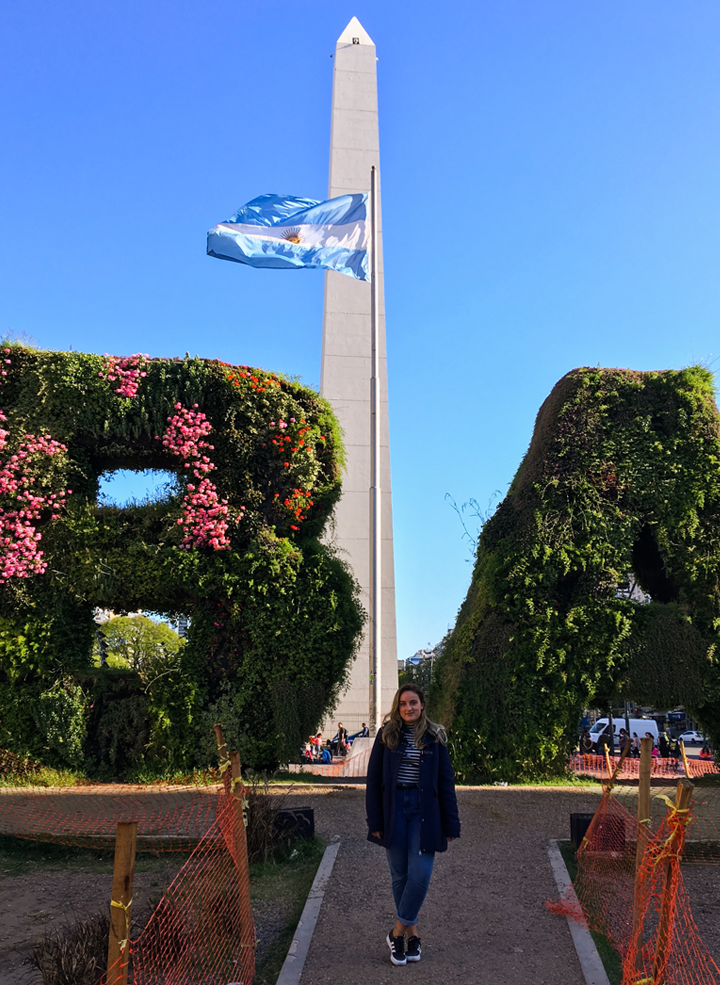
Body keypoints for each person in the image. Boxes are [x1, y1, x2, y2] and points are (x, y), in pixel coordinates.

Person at [366, 684, 461, 966]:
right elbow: (373, 782)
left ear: (422, 706)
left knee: (420, 875)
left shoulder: (435, 737)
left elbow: (445, 783)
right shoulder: (386, 736)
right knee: (400, 877)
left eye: (414, 703)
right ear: (398, 707)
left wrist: (451, 823)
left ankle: (396, 933)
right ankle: (412, 937)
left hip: (424, 811)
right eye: (404, 703)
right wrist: (375, 821)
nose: (409, 708)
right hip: (394, 809)